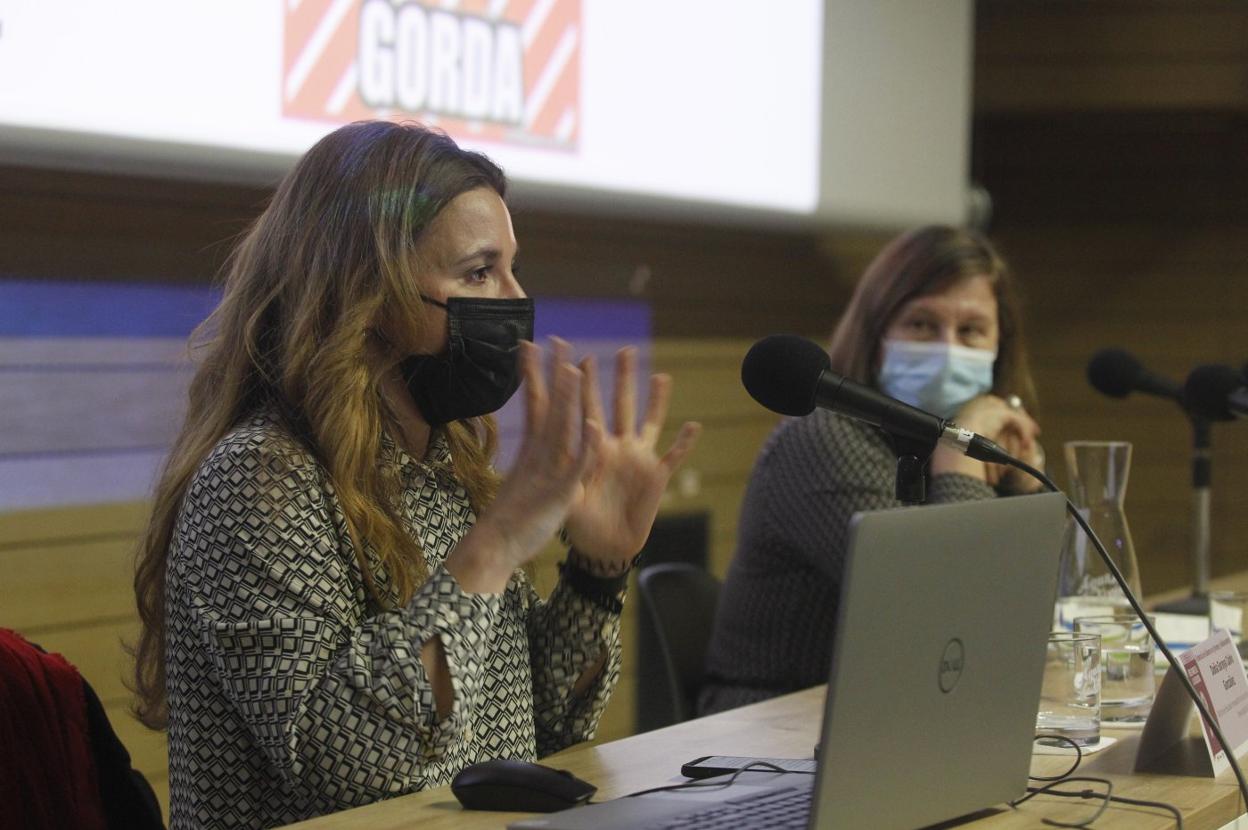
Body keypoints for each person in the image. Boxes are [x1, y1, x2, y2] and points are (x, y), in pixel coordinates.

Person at [129, 120, 701, 829]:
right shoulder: (258, 481)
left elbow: (546, 729)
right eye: (477, 271)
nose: (514, 299)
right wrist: (493, 546)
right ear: (369, 291)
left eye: (512, 267)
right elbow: (354, 772)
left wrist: (597, 569)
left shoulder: (444, 464)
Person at [699, 225, 1043, 715]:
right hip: (772, 732)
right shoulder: (824, 438)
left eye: (971, 331)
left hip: (899, 720)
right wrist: (961, 470)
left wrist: (1023, 490)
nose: (948, 348)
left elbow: (1031, 622)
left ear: (999, 346)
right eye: (922, 325)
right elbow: (935, 618)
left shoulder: (950, 445)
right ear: (876, 335)